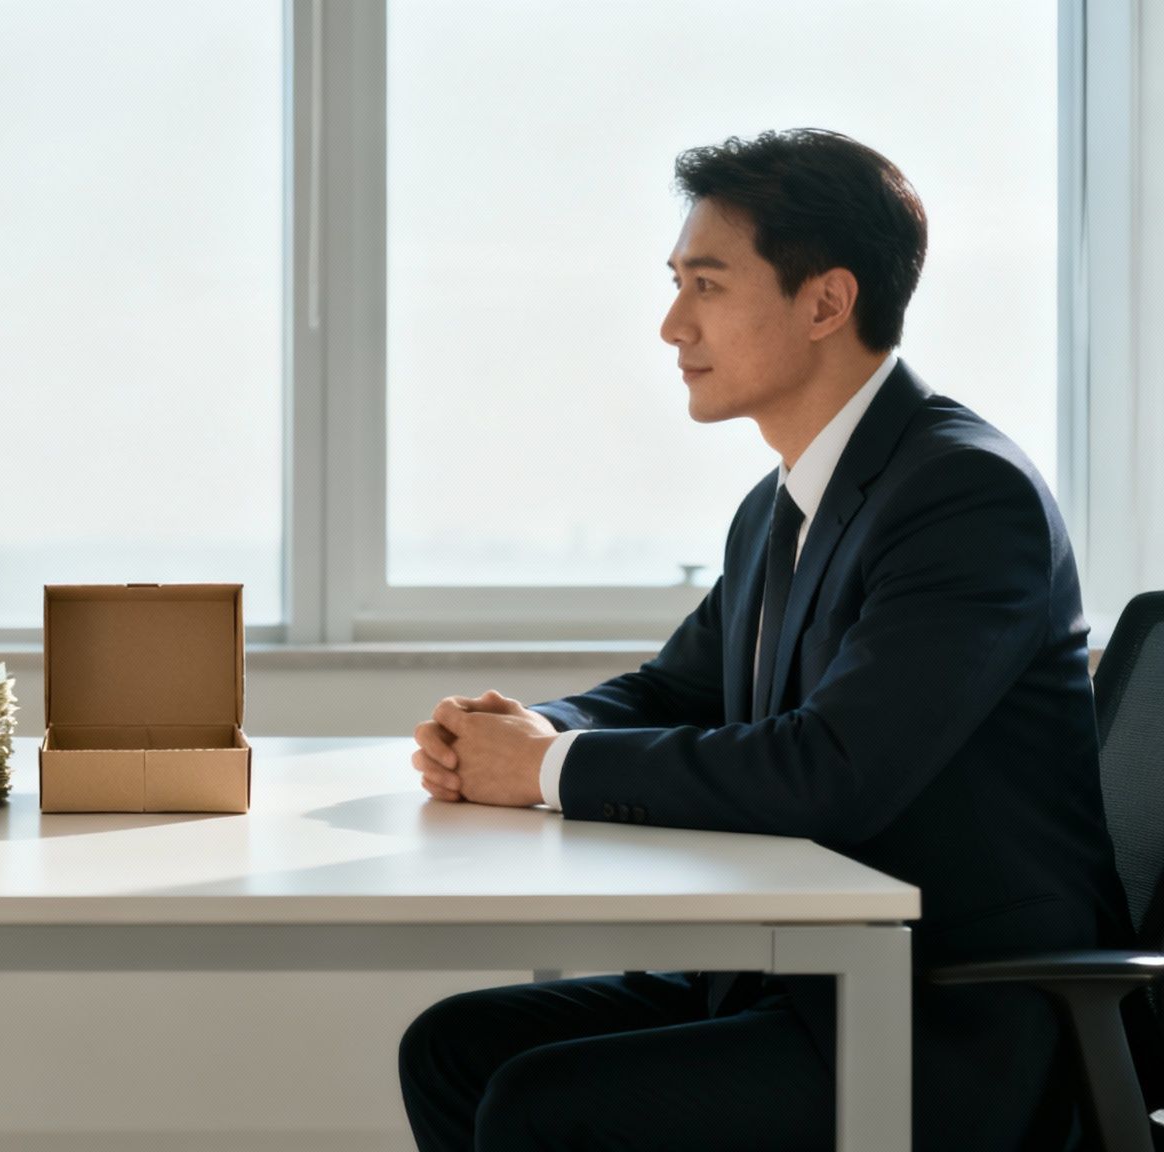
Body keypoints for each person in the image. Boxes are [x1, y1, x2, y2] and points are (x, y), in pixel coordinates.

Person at [395, 130, 1127, 1151]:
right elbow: (674, 689)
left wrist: (543, 769)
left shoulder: (964, 495)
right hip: (804, 982)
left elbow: (835, 769)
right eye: (673, 282)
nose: (668, 324)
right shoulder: (779, 504)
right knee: (454, 1048)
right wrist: (521, 730)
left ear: (824, 302)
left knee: (543, 1106)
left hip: (951, 1022)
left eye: (705, 284)